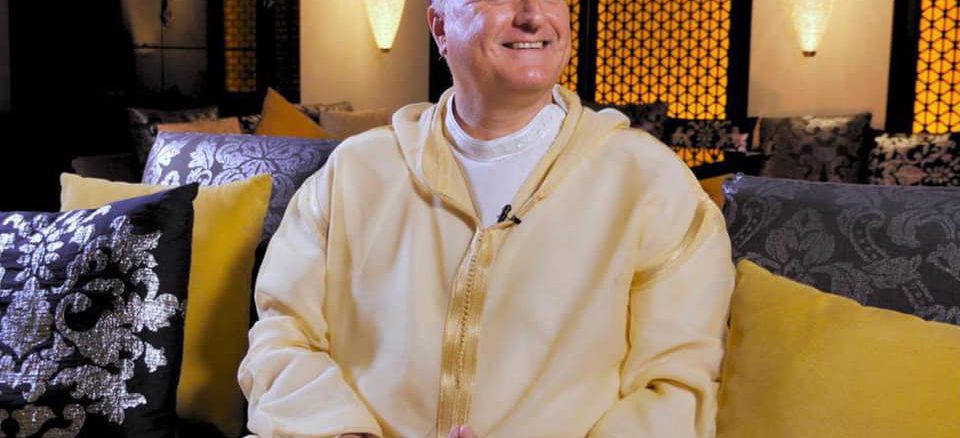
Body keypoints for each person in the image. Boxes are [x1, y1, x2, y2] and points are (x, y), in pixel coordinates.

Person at [238, 0, 735, 437]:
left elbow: (679, 384)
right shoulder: (354, 172)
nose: (532, 15)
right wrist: (337, 432)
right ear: (440, 27)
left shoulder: (650, 183)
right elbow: (283, 333)